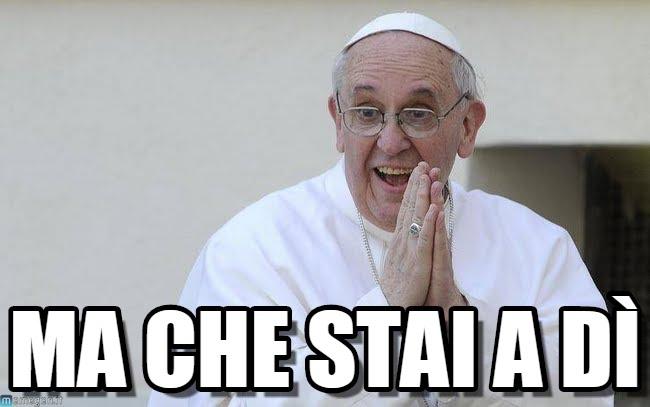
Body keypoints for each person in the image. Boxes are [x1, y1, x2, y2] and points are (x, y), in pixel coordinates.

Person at [149, 12, 612, 406]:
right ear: (339, 123)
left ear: (468, 127)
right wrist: (385, 314)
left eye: (419, 113)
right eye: (367, 112)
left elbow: (589, 392)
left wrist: (462, 337)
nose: (391, 142)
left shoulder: (538, 249)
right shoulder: (253, 250)